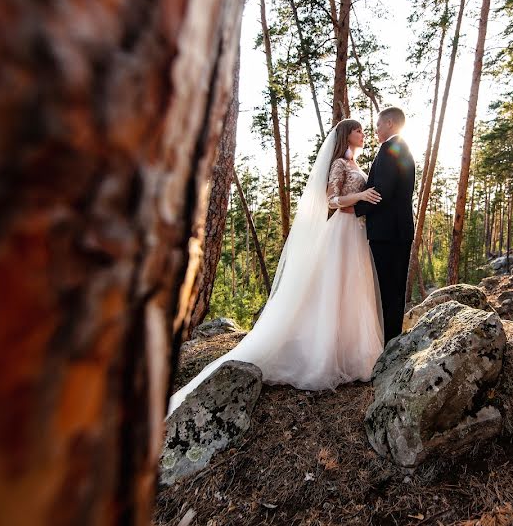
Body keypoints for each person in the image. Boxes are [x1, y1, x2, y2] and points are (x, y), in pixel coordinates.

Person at [168, 119, 383, 415]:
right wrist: (360, 196)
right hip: (340, 232)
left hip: (356, 233)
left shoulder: (355, 164)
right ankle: (322, 356)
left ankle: (352, 354)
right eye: (358, 130)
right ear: (348, 134)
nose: (363, 133)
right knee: (333, 290)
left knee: (353, 292)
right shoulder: (338, 164)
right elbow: (331, 200)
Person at [354, 106, 415, 344]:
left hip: (388, 233)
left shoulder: (391, 149)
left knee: (387, 290)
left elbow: (382, 191)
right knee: (394, 289)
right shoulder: (401, 148)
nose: (376, 130)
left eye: (378, 125)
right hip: (397, 231)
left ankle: (388, 344)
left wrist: (355, 209)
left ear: (389, 123)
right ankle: (391, 340)